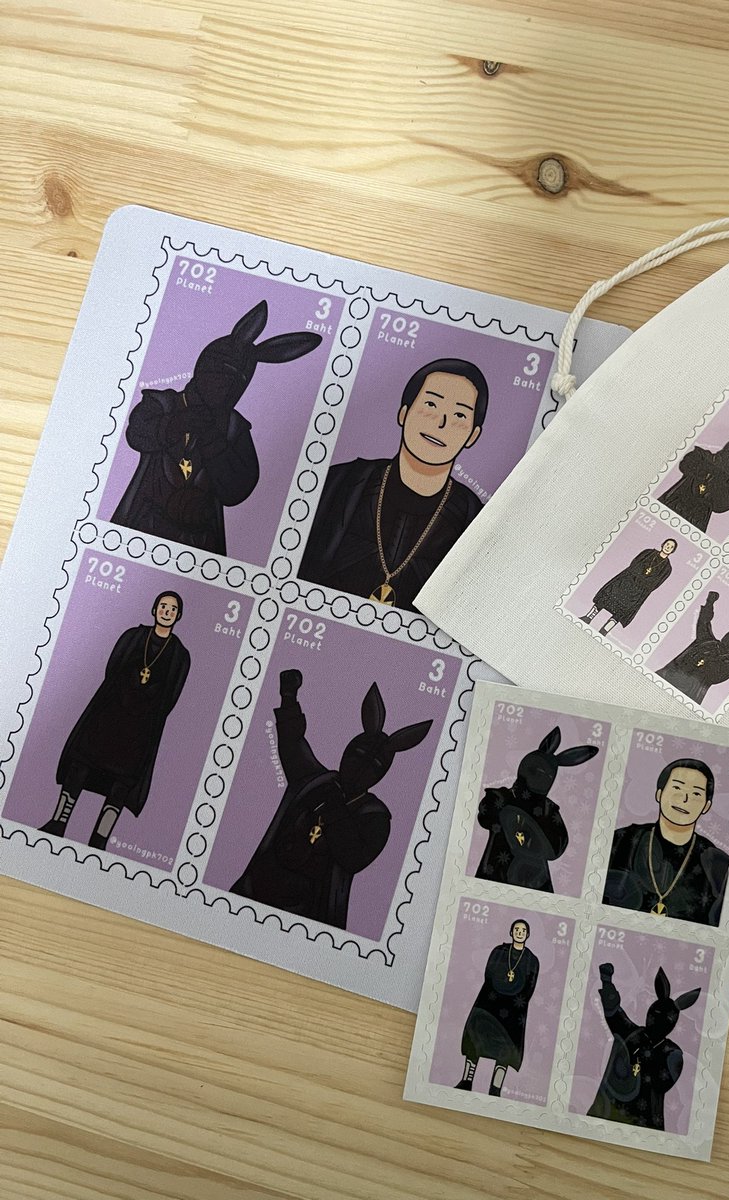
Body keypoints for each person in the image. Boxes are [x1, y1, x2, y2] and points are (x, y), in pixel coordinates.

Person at [112, 301, 321, 555]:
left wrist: (214, 443)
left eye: (232, 381)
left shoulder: (233, 428)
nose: (221, 386)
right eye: (217, 373)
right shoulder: (164, 404)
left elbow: (238, 489)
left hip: (199, 541)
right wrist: (177, 423)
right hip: (142, 525)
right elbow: (137, 433)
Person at [230, 669, 432, 930]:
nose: (359, 767)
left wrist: (336, 811)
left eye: (373, 765)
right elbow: (292, 742)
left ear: (381, 773)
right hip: (254, 892)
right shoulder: (315, 780)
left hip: (307, 918)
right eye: (357, 754)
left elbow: (354, 859)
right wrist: (289, 698)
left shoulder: (375, 818)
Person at [300, 358, 489, 610]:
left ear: (473, 435)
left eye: (459, 415)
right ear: (403, 413)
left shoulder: (476, 521)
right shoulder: (338, 483)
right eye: (431, 404)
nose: (441, 423)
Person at [41, 591, 191, 850]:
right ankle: (58, 823)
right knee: (80, 764)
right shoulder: (133, 636)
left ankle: (99, 839)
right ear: (154, 609)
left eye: (172, 609)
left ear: (178, 615)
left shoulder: (180, 655)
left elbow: (171, 697)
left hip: (140, 730)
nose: (166, 612)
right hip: (108, 717)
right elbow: (112, 669)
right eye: (163, 606)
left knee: (123, 782)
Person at [602, 758, 729, 925]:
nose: (684, 798)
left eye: (696, 794)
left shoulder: (717, 865)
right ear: (659, 794)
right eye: (677, 787)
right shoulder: (621, 840)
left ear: (706, 806)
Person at [474, 726, 598, 892]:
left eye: (542, 774)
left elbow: (556, 847)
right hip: (497, 871)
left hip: (533, 879)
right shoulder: (503, 797)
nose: (536, 776)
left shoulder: (548, 809)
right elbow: (485, 816)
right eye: (534, 771)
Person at [586, 962, 701, 1131]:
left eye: (663, 1018)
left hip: (640, 1123)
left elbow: (663, 1082)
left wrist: (645, 1058)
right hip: (606, 1114)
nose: (656, 1020)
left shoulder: (672, 1053)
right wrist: (607, 981)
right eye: (655, 1014)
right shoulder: (630, 1032)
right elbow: (614, 1011)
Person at [455, 919, 540, 1097]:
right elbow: (489, 974)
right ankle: (467, 1081)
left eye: (523, 930)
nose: (519, 933)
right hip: (490, 1003)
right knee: (475, 1038)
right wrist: (497, 992)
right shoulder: (499, 952)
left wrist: (515, 999)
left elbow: (530, 987)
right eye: (516, 929)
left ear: (527, 934)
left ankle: (495, 1089)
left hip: (514, 1010)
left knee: (505, 1048)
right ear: (511, 932)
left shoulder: (532, 960)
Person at [655, 591, 729, 706]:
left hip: (687, 694)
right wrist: (710, 603)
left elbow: (714, 677)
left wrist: (708, 660)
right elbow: (704, 621)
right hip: (668, 676)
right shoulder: (707, 639)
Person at [580, 538, 677, 636]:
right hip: (627, 581)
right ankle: (588, 617)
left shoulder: (667, 568)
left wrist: (643, 582)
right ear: (663, 544)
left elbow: (656, 583)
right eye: (667, 544)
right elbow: (634, 563)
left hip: (639, 590)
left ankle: (604, 631)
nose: (668, 547)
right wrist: (637, 576)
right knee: (607, 596)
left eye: (671, 547)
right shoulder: (648, 552)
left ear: (673, 551)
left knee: (623, 610)